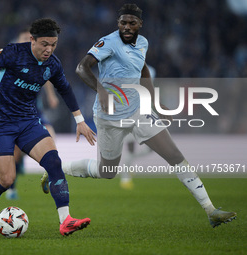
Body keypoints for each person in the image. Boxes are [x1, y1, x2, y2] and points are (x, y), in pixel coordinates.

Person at [41, 4, 237, 228]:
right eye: (123, 22)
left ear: (139, 25)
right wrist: (102, 90)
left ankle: (211, 210)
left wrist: (155, 103)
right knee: (107, 172)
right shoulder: (108, 42)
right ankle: (58, 169)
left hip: (138, 111)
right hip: (110, 117)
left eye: (131, 23)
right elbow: (81, 68)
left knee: (174, 155)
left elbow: (143, 71)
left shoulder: (143, 43)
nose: (126, 26)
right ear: (118, 23)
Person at [0, 18, 96, 236]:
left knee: (54, 162)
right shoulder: (13, 52)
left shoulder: (53, 64)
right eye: (44, 44)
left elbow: (65, 89)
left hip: (27, 121)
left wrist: (80, 120)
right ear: (32, 40)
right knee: (6, 179)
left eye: (53, 44)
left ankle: (66, 220)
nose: (49, 49)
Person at [6, 29, 59, 200]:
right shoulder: (12, 59)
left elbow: (47, 77)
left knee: (51, 136)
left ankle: (50, 172)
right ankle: (12, 188)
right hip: (15, 113)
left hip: (35, 110)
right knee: (16, 152)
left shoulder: (39, 60)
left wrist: (51, 95)